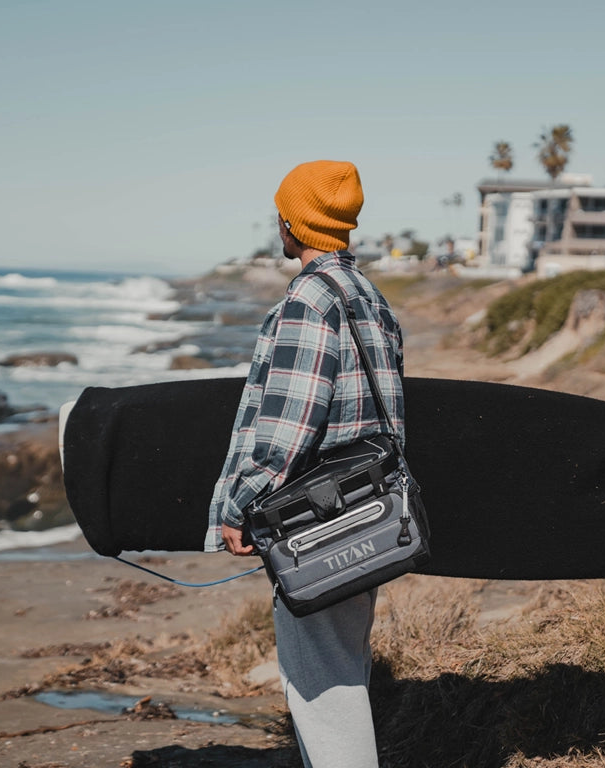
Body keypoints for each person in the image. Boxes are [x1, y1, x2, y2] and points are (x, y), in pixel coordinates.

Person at [206, 160, 404, 768]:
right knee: (343, 668)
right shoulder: (367, 295)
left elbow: (287, 426)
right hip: (367, 510)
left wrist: (240, 505)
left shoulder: (309, 300)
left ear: (293, 226)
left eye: (281, 218)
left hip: (317, 521)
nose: (279, 228)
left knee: (322, 688)